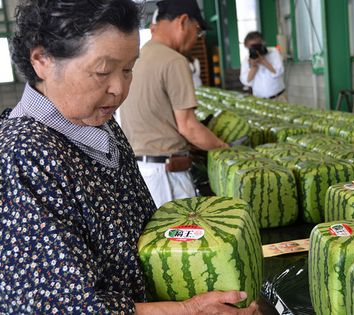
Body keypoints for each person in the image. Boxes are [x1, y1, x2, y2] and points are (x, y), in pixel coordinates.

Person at [0, 0, 258, 314]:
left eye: (128, 69)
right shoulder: (22, 156)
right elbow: (67, 307)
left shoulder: (101, 125)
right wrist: (189, 310)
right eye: (103, 71)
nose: (119, 89)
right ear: (42, 60)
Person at [120, 0, 228, 209]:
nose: (197, 39)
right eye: (197, 31)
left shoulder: (139, 56)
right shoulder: (174, 61)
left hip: (142, 172)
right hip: (167, 177)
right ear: (183, 21)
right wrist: (225, 148)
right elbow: (188, 127)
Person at [239, 31, 287, 101]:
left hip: (279, 97)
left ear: (262, 43)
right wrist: (253, 67)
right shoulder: (246, 60)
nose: (254, 50)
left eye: (256, 46)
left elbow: (279, 72)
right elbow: (246, 81)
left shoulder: (273, 52)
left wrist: (264, 62)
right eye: (251, 48)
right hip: (260, 100)